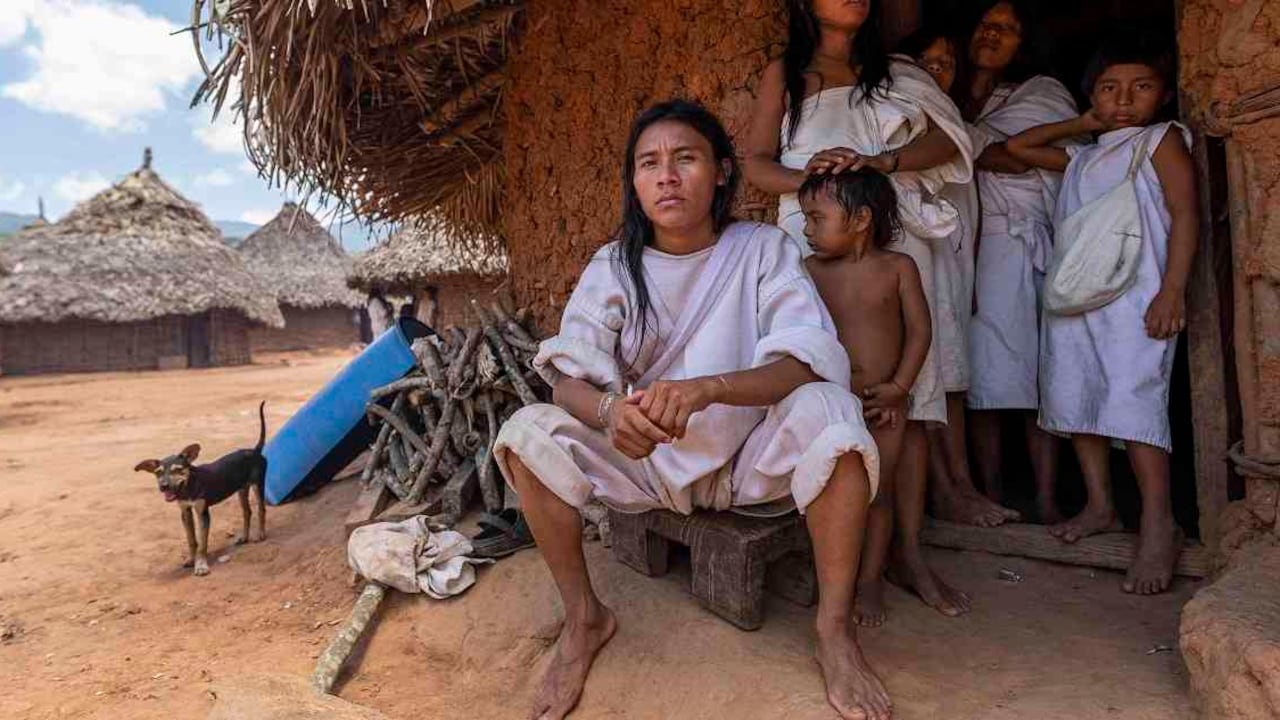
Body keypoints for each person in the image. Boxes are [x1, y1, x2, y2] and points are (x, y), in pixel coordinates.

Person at [494, 100, 891, 720]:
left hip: (751, 459)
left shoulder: (762, 249)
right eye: (649, 164)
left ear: (723, 171)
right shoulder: (614, 266)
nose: (667, 177)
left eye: (685, 158)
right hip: (646, 464)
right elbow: (566, 382)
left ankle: (834, 633)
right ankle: (584, 617)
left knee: (834, 412)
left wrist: (708, 389)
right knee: (525, 435)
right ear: (634, 181)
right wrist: (610, 411)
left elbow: (806, 360)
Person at [745, 0, 974, 619]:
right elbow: (757, 164)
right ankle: (829, 558)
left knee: (911, 399)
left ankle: (908, 553)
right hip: (813, 232)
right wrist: (815, 182)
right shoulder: (786, 74)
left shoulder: (896, 71)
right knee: (818, 387)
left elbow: (948, 140)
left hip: (888, 228)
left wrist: (880, 163)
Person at [1006, 32, 1196, 595]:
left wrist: (1172, 290)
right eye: (1109, 88)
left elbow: (1186, 214)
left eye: (1141, 87)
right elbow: (1017, 148)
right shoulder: (1082, 157)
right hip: (1074, 298)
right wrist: (1080, 123)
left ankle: (1159, 523)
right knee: (1078, 396)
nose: (1124, 99)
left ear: (1163, 94)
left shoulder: (1161, 140)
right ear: (1091, 95)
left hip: (1136, 297)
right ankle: (1100, 506)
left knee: (1134, 401)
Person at [802, 168, 955, 627]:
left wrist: (900, 388)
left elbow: (920, 332)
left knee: (878, 494)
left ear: (861, 219)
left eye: (817, 218)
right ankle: (833, 579)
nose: (807, 229)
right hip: (830, 405)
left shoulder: (898, 268)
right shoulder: (809, 272)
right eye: (806, 219)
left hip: (882, 406)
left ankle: (870, 579)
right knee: (825, 490)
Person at [961, 0, 1077, 523]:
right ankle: (989, 492)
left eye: (1007, 28)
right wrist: (981, 145)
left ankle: (1047, 498)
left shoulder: (1042, 92)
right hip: (965, 248)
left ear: (1025, 42)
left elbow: (1012, 158)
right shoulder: (949, 93)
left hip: (1017, 249)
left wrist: (965, 142)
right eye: (986, 24)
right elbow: (990, 153)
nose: (993, 33)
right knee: (979, 377)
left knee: (1035, 377)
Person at [896, 26, 1013, 529]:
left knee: (954, 379)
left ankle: (961, 486)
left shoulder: (959, 131)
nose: (936, 71)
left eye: (946, 63)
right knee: (932, 379)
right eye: (926, 62)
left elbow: (1007, 156)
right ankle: (945, 491)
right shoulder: (901, 129)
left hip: (956, 273)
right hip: (922, 269)